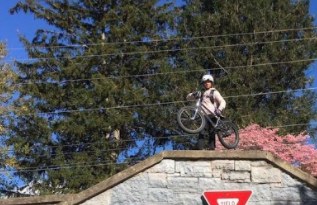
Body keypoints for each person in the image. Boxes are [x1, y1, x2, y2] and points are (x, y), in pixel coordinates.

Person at [186, 74, 226, 150]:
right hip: (203, 115)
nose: (207, 83)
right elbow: (188, 98)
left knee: (212, 132)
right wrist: (193, 94)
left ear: (211, 83)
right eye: (205, 82)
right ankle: (199, 149)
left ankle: (212, 149)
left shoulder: (214, 92)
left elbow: (223, 102)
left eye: (208, 82)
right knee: (201, 132)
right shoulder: (201, 93)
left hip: (212, 115)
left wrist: (219, 109)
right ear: (203, 84)